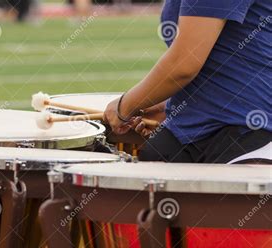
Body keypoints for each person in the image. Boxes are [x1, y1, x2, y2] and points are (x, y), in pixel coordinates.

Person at [103, 0, 271, 163]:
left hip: (248, 126)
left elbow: (184, 64)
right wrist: (168, 105)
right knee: (150, 164)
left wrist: (123, 108)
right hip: (191, 127)